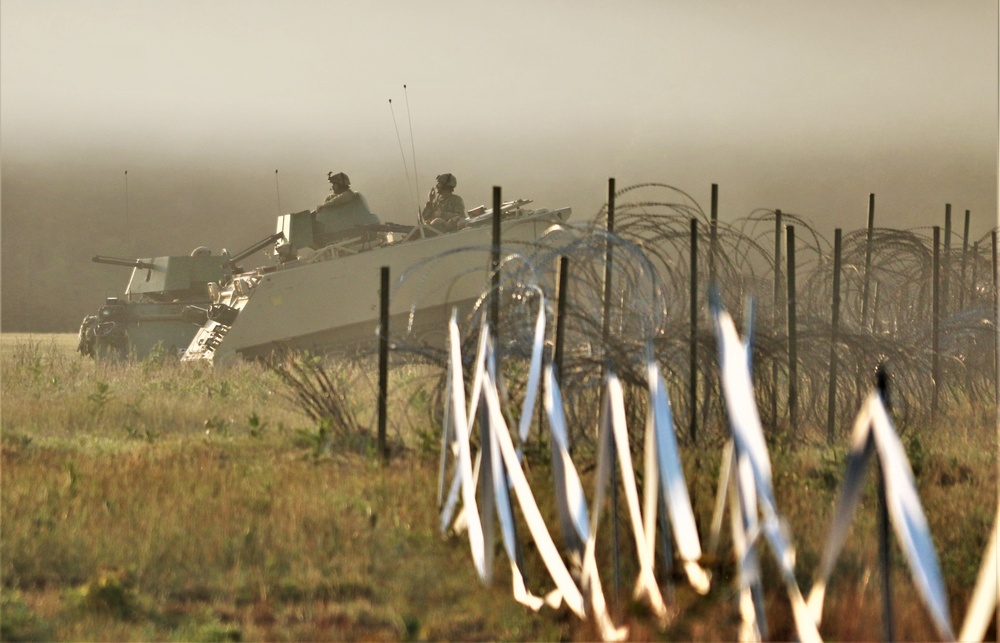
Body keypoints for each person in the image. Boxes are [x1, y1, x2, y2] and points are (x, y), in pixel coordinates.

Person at [314, 171, 379, 233]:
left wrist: (323, 206)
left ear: (340, 184)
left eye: (335, 184)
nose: (333, 187)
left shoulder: (349, 194)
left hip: (351, 227)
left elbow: (338, 200)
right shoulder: (333, 197)